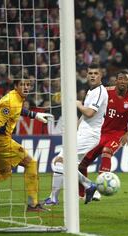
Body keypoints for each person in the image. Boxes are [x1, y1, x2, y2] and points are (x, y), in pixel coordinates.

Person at [0, 79, 53, 212]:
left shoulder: (16, 98)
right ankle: (33, 204)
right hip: (0, 140)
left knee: (5, 172)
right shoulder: (9, 102)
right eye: (22, 84)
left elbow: (19, 110)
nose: (26, 87)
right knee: (31, 163)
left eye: (28, 85)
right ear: (16, 86)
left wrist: (34, 115)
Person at [44, 63, 109, 205]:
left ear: (101, 76)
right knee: (61, 161)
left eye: (95, 73)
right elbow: (84, 117)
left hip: (89, 135)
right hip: (82, 133)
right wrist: (74, 130)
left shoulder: (99, 92)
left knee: (60, 162)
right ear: (87, 75)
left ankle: (56, 197)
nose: (92, 76)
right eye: (90, 73)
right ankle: (85, 187)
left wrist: (78, 104)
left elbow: (90, 113)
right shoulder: (91, 91)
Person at [78, 70, 128, 203]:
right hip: (100, 132)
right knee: (82, 163)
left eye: (125, 79)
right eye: (120, 79)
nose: (122, 81)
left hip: (117, 135)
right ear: (116, 81)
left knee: (107, 152)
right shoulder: (105, 92)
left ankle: (100, 191)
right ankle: (82, 193)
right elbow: (90, 108)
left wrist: (127, 134)